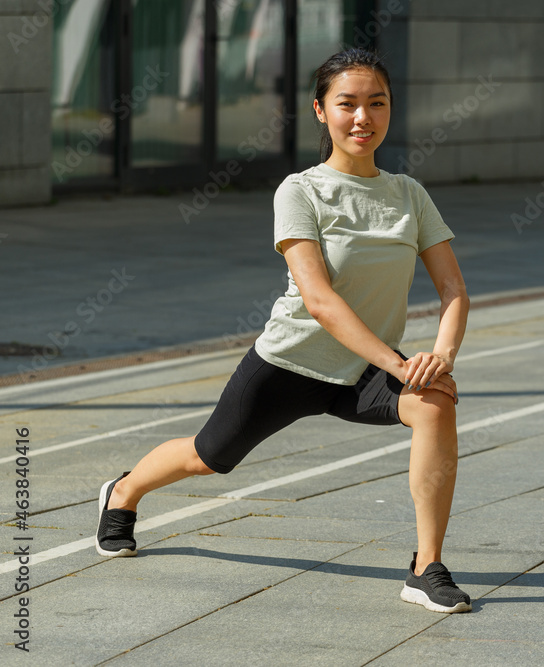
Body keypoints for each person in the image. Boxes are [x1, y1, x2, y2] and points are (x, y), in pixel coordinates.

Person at [95, 48, 473, 614]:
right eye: (347, 104)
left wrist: (439, 358)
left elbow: (454, 292)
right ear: (321, 111)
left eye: (377, 103)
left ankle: (426, 567)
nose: (362, 118)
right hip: (290, 363)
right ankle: (123, 491)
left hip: (364, 369)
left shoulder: (409, 195)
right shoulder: (300, 191)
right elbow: (320, 301)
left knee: (436, 403)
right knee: (208, 455)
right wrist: (400, 364)